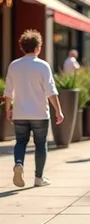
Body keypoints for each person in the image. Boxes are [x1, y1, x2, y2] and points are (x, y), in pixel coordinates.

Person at [4, 29, 64, 188]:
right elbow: (51, 91)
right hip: (39, 113)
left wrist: (8, 109)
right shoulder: (43, 66)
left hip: (20, 112)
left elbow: (8, 91)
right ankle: (39, 178)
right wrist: (58, 110)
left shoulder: (14, 65)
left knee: (21, 142)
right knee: (40, 144)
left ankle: (18, 163)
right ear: (38, 47)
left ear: (22, 47)